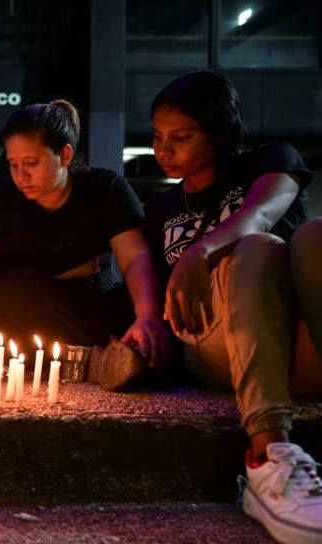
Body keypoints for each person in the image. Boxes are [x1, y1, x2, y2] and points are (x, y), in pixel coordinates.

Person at [143, 70, 322, 543]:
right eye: (159, 137)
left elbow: (261, 214)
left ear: (220, 133)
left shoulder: (272, 162)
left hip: (298, 338)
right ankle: (269, 455)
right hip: (218, 340)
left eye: (181, 137)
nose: (165, 150)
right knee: (258, 249)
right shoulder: (161, 208)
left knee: (311, 235)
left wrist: (201, 250)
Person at [0, 99, 171, 389]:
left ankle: (91, 357)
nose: (22, 176)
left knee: (144, 307)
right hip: (20, 308)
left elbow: (134, 257)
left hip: (83, 307)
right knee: (7, 296)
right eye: (13, 164)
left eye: (32, 163)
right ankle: (95, 360)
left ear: (65, 155)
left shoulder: (104, 189)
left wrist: (147, 315)